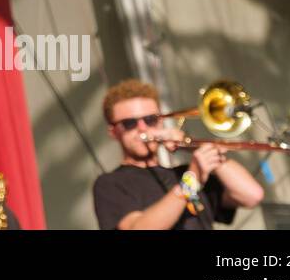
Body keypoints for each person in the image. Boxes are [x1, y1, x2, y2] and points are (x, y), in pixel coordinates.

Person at [92, 79, 265, 230]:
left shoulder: (184, 173)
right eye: (130, 123)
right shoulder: (110, 184)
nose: (142, 128)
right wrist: (191, 182)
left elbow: (251, 195)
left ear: (160, 122)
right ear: (114, 132)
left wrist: (193, 146)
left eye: (150, 119)